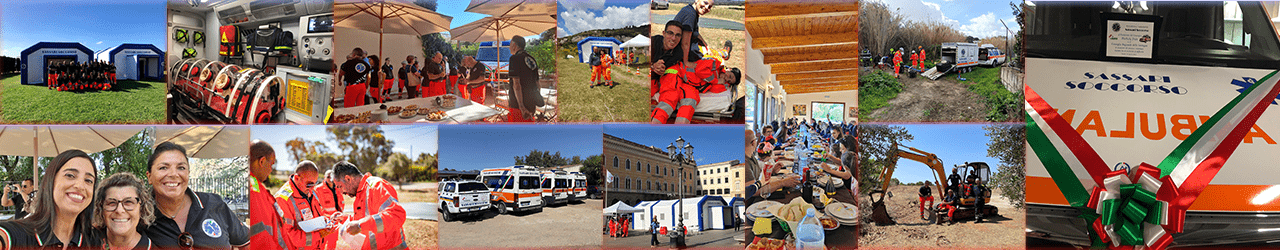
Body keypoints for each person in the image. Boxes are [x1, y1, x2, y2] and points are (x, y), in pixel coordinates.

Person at [145, 142, 249, 249]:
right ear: (149, 177)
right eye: (163, 168)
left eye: (181, 167)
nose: (173, 174)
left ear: (188, 174)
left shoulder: (214, 203)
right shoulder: (141, 216)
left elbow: (248, 242)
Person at [0, 150, 100, 249]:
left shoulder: (93, 240)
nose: (80, 186)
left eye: (88, 180)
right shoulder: (18, 236)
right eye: (70, 175)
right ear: (49, 181)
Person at [332, 162, 407, 250]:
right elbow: (366, 218)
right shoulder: (361, 193)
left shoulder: (376, 186)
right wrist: (344, 218)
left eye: (340, 186)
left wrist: (360, 225)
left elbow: (396, 215)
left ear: (348, 179)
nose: (341, 192)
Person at [94, 173, 156, 250]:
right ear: (101, 208)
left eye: (128, 202)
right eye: (111, 203)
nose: (119, 210)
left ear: (142, 208)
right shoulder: (87, 241)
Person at [277, 161, 325, 250]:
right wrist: (319, 235)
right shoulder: (283, 199)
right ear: (297, 178)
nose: (312, 188)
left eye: (315, 183)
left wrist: (327, 221)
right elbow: (288, 236)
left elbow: (317, 216)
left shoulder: (311, 192)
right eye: (309, 184)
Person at [249, 140, 286, 250]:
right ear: (262, 161)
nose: (271, 169)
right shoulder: (253, 192)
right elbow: (262, 239)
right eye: (271, 164)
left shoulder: (256, 187)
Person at [507, 35, 543, 122]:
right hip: (531, 102)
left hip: (518, 104)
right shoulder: (531, 59)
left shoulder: (514, 59)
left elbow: (516, 84)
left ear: (514, 45)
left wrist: (521, 106)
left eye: (510, 44)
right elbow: (538, 84)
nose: (509, 47)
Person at [312, 170, 344, 250]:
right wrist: (324, 217)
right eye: (328, 177)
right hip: (324, 221)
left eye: (332, 177)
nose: (330, 179)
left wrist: (340, 214)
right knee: (322, 242)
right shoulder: (318, 189)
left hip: (335, 220)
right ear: (324, 177)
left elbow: (341, 202)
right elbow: (315, 206)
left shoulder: (337, 188)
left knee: (333, 242)